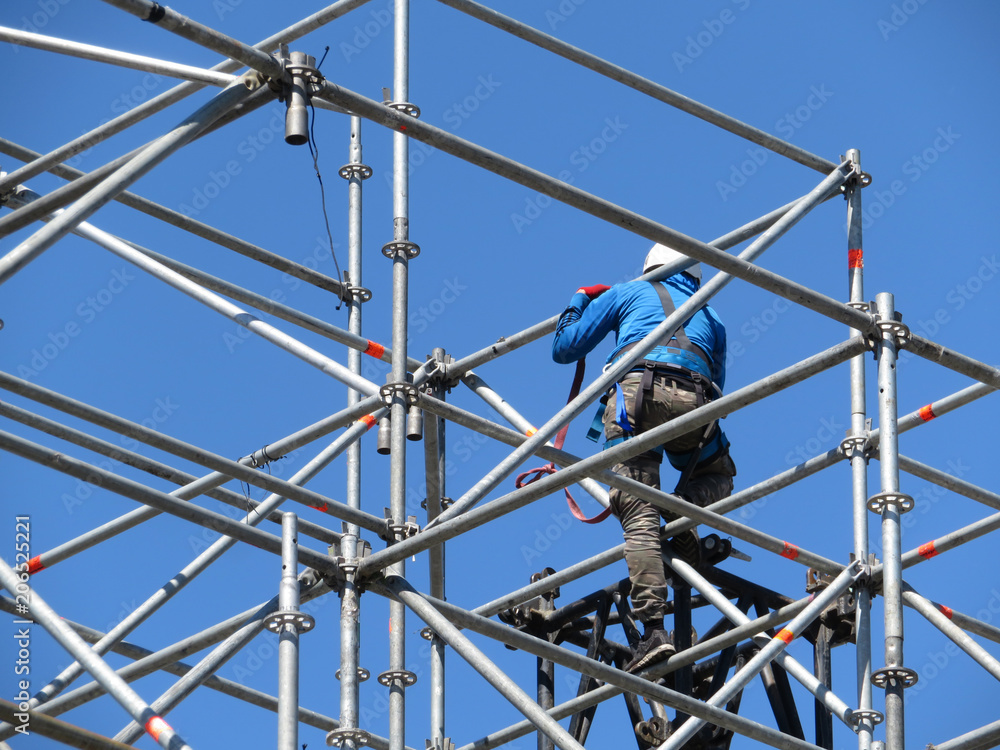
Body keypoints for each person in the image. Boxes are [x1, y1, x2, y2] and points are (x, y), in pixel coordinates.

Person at [551, 243, 737, 673]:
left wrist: (580, 299)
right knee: (718, 474)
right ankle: (681, 516)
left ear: (650, 267)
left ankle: (654, 631)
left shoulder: (628, 291)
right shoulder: (713, 315)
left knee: (638, 508)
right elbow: (719, 380)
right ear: (693, 276)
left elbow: (565, 347)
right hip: (696, 401)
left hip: (636, 398)